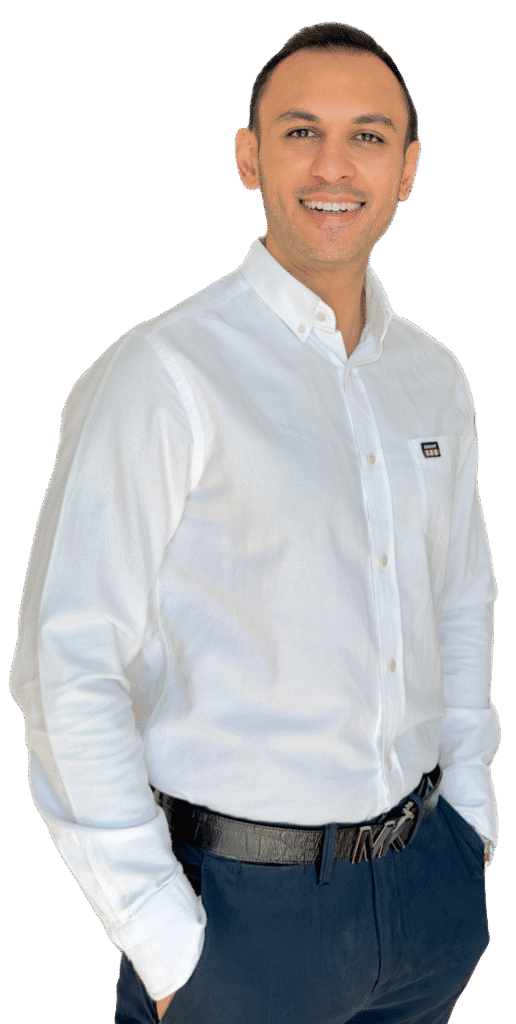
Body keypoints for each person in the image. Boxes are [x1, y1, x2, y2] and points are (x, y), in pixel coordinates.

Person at [9, 20, 500, 1024]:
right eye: (300, 132)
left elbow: (460, 602)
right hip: (238, 922)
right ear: (249, 157)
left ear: (408, 170)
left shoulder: (434, 378)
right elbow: (67, 665)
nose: (334, 165)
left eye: (368, 136)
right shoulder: (166, 374)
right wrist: (162, 938)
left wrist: (470, 820)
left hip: (425, 897)